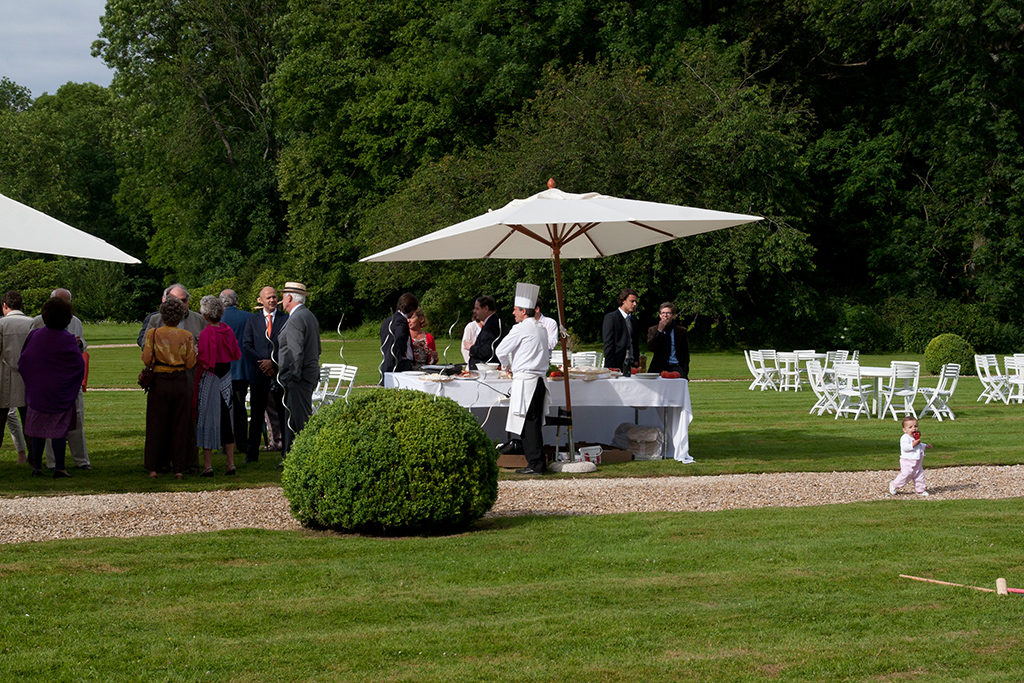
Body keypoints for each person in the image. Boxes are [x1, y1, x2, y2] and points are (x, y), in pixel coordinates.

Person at [18, 297, 85, 478]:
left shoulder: (35, 335)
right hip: (60, 392)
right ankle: (59, 467)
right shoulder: (68, 339)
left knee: (37, 430)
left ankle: (37, 466)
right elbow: (78, 366)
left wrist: (32, 381)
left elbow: (23, 361)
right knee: (59, 431)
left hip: (38, 391)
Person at [31, 288, 91, 470]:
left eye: (67, 303)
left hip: (70, 380)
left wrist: (79, 343)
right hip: (50, 380)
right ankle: (52, 462)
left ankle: (81, 460)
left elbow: (82, 347)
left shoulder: (75, 321)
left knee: (77, 420)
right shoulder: (38, 322)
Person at [495, 283, 550, 475]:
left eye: (516, 309)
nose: (513, 312)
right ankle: (537, 462)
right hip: (540, 380)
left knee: (528, 424)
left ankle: (536, 464)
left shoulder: (520, 329)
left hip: (527, 381)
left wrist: (507, 366)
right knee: (533, 424)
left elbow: (500, 350)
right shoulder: (542, 328)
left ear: (523, 312)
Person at [141, 297, 197, 479]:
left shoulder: (152, 333)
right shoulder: (186, 336)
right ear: (181, 315)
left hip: (159, 381)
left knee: (156, 424)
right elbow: (190, 363)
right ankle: (179, 467)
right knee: (181, 425)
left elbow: (147, 358)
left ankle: (154, 467)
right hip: (180, 380)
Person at [195, 295, 242, 476]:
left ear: (205, 314)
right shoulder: (227, 330)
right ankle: (230, 463)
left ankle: (208, 465)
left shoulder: (207, 333)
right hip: (226, 376)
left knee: (207, 419)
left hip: (211, 376)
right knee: (226, 419)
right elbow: (236, 353)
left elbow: (206, 360)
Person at [242, 286, 288, 463]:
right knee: (256, 415)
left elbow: (287, 346)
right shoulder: (252, 321)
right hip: (258, 375)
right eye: (268, 297)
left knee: (282, 412)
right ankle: (251, 454)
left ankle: (286, 451)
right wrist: (262, 364)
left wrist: (273, 362)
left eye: (274, 297)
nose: (272, 300)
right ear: (260, 300)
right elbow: (246, 346)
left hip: (278, 374)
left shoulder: (285, 319)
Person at [277, 282, 321, 459]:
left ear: (289, 298)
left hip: (299, 377)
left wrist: (292, 375)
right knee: (299, 416)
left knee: (298, 418)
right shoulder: (308, 315)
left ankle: (300, 456)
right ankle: (294, 455)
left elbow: (296, 352)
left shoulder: (296, 319)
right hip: (308, 374)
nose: (281, 300)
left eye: (283, 296)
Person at [0, 291, 33, 460]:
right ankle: (34, 459)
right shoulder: (32, 323)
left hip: (3, 378)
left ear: (5, 305)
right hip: (28, 379)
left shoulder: (2, 324)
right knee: (28, 421)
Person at [219, 289, 253, 455]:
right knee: (240, 409)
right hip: (243, 369)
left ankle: (226, 443)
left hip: (223, 369)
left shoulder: (218, 319)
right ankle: (242, 443)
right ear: (236, 301)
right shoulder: (248, 317)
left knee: (225, 408)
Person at [142, 283, 207, 343]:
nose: (180, 304)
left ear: (188, 300)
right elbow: (145, 344)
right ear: (168, 301)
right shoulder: (155, 320)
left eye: (183, 300)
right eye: (176, 301)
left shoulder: (200, 320)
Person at [379, 292, 418, 382]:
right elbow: (400, 338)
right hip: (399, 365)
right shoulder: (401, 321)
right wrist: (401, 354)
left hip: (386, 362)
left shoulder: (388, 320)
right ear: (411, 308)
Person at [889, 417, 932, 497]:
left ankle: (920, 490)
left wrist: (925, 446)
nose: (914, 428)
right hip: (907, 461)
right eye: (910, 427)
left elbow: (919, 445)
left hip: (917, 462)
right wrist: (913, 444)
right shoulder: (905, 438)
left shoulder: (915, 437)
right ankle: (894, 485)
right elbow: (905, 447)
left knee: (919, 475)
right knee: (905, 475)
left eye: (915, 426)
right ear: (904, 430)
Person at [602, 288, 641, 375]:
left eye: (636, 302)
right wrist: (611, 368)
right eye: (632, 301)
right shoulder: (611, 318)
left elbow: (635, 343)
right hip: (616, 365)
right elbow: (608, 344)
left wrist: (636, 361)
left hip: (632, 365)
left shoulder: (633, 320)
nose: (635, 304)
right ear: (623, 301)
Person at [646, 302, 690, 378]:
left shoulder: (681, 331)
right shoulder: (653, 330)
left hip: (676, 366)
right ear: (660, 315)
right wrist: (660, 331)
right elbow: (651, 348)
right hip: (659, 367)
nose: (665, 315)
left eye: (668, 313)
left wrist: (684, 370)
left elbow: (685, 353)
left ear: (673, 315)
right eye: (663, 313)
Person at [468, 295, 504, 369]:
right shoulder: (492, 323)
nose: (474, 311)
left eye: (477, 308)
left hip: (486, 372)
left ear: (486, 309)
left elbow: (487, 351)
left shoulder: (492, 326)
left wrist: (471, 348)